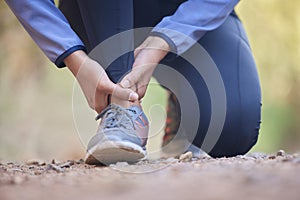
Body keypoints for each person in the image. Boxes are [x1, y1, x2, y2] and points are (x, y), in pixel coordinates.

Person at [5, 0, 261, 164]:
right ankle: (121, 110)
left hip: (192, 12)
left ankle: (183, 104)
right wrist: (74, 57)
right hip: (99, 12)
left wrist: (166, 39)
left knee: (233, 130)